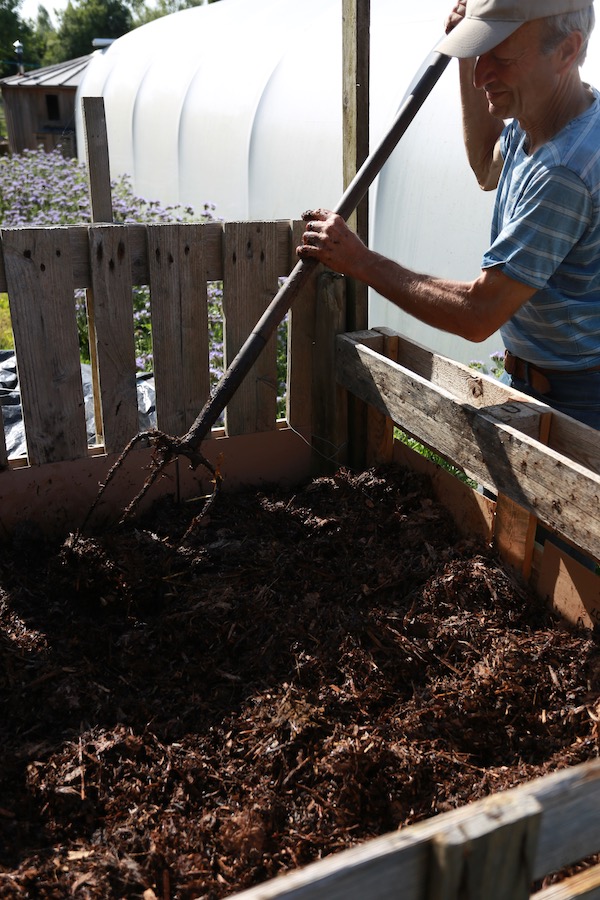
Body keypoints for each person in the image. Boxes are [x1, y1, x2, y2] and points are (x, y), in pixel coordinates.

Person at [297, 0, 600, 428]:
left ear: (568, 51)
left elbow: (478, 313)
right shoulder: (542, 118)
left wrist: (358, 260)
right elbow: (484, 165)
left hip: (579, 402)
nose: (480, 76)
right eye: (478, 54)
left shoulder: (565, 172)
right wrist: (469, 47)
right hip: (545, 379)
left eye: (501, 55)